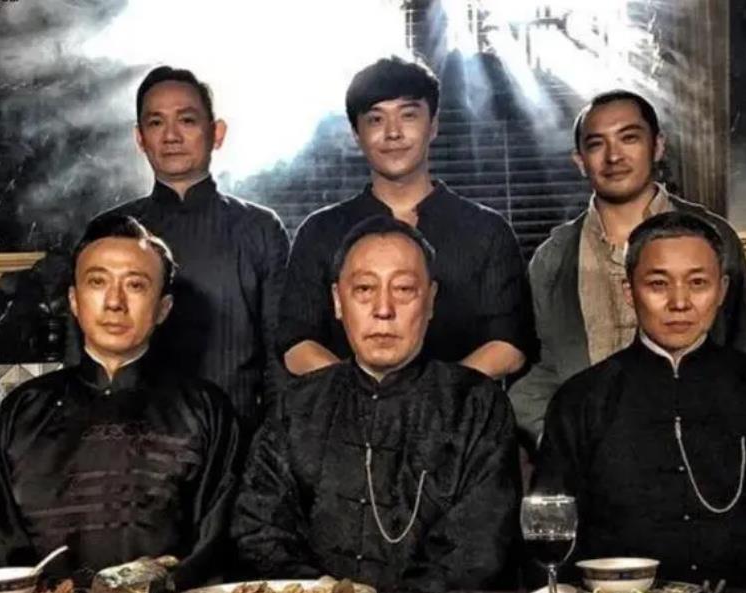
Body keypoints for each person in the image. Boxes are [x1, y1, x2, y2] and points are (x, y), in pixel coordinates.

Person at [532, 212, 746, 586]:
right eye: (658, 284)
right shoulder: (580, 400)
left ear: (721, 290)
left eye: (698, 283)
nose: (680, 302)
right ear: (629, 291)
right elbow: (549, 540)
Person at [234, 216, 521, 591]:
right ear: (338, 301)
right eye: (365, 289)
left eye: (403, 289)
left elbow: (476, 552)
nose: (383, 309)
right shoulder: (296, 407)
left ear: (431, 301)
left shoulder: (477, 406)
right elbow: (258, 529)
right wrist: (325, 589)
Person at [509, 89, 746, 447]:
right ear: (580, 161)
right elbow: (538, 373)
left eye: (629, 138)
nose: (614, 156)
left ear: (657, 146)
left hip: (704, 446)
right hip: (597, 451)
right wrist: (562, 442)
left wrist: (738, 439)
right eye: (597, 144)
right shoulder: (554, 258)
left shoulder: (711, 237)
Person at [0, 215, 241, 590]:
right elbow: (0, 546)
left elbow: (214, 547)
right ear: (74, 300)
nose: (115, 302)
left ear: (163, 308)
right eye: (97, 282)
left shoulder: (206, 410)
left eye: (135, 285)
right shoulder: (21, 411)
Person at [277, 56, 534, 381]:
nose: (393, 133)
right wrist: (363, 396)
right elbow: (296, 342)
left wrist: (437, 398)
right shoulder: (319, 231)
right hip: (341, 410)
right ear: (356, 134)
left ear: (434, 124)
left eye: (408, 115)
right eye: (375, 119)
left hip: (462, 409)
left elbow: (509, 344)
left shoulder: (487, 231)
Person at [100, 66, 289, 429]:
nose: (171, 136)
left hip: (241, 440)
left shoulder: (260, 229)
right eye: (156, 123)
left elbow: (279, 360)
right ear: (140, 138)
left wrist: (272, 447)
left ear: (217, 133)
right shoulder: (110, 232)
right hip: (131, 441)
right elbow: (83, 358)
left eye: (187, 120)